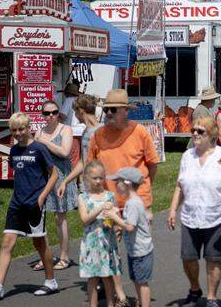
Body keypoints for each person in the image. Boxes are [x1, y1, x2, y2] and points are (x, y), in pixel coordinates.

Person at [87, 89, 159, 306]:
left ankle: (140, 296)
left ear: (125, 111)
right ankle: (119, 295)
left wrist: (143, 192)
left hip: (137, 202)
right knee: (110, 250)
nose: (108, 113)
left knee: (138, 251)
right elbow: (92, 166)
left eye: (112, 109)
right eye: (106, 109)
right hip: (109, 203)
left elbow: (152, 164)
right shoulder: (98, 135)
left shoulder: (140, 132)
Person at [0, 112, 59, 301]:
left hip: (35, 204)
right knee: (7, 242)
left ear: (29, 128)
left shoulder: (39, 149)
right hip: (17, 203)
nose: (18, 133)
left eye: (21, 129)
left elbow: (54, 174)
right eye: (14, 130)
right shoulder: (14, 151)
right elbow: (19, 174)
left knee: (39, 243)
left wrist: (41, 198)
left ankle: (51, 281)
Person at [167, 116, 221, 307]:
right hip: (190, 216)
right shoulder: (187, 156)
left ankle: (212, 297)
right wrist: (173, 209)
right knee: (188, 257)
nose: (195, 134)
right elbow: (179, 185)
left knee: (213, 259)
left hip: (217, 217)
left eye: (200, 131)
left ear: (212, 134)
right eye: (193, 131)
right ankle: (195, 287)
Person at [34, 100, 77, 271]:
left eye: (54, 112)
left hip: (61, 178)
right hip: (42, 178)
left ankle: (64, 257)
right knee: (41, 219)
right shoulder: (39, 131)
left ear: (59, 113)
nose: (50, 116)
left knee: (60, 218)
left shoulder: (65, 129)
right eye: (46, 113)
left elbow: (65, 152)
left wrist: (43, 142)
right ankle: (45, 257)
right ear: (42, 115)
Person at [105, 168, 154, 307]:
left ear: (127, 184)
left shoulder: (133, 203)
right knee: (136, 279)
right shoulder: (131, 202)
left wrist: (115, 218)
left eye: (117, 182)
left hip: (141, 251)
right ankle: (140, 303)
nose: (115, 185)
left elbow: (130, 227)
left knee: (142, 282)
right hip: (135, 250)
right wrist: (121, 227)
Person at [77, 160, 122, 307]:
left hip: (107, 241)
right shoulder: (83, 197)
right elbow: (85, 220)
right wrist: (100, 208)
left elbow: (116, 218)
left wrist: (116, 221)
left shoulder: (110, 196)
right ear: (87, 178)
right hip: (91, 243)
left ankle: (111, 303)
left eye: (101, 178)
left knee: (108, 276)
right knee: (93, 278)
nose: (98, 181)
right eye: (94, 178)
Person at [58, 94, 104, 198]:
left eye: (75, 111)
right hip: (88, 188)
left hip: (99, 189)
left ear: (81, 110)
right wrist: (66, 181)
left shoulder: (102, 131)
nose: (75, 114)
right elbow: (84, 162)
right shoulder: (85, 132)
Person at [59, 82, 85, 170]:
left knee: (73, 159)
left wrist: (56, 116)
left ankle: (72, 181)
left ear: (67, 93)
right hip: (82, 131)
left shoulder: (69, 100)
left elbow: (63, 116)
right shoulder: (81, 101)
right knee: (81, 158)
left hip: (72, 132)